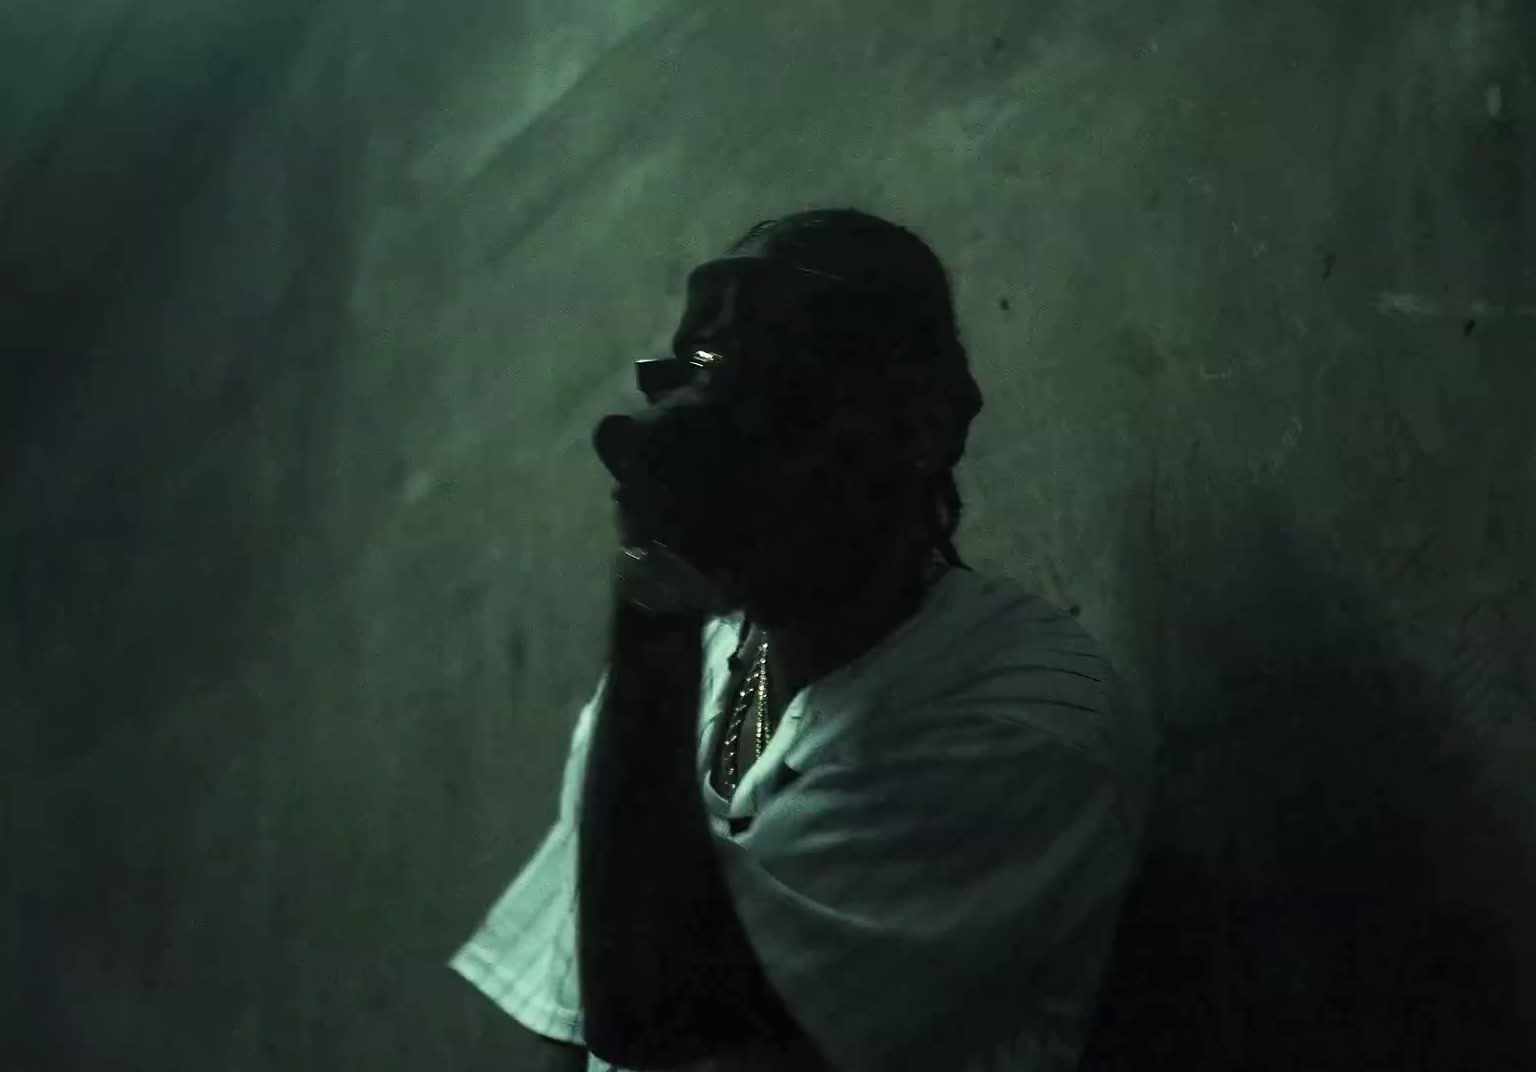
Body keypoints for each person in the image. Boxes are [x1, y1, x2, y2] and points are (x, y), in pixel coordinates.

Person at [448, 209, 1162, 1071]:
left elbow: (664, 1017)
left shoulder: (1020, 716)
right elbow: (573, 1017)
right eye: (705, 407)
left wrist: (655, 585)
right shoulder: (694, 671)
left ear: (918, 432)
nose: (731, 463)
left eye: (782, 412)